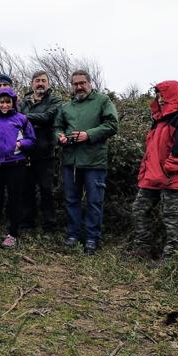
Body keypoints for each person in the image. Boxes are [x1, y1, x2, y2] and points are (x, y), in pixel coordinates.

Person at [132, 80, 178, 259]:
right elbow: (152, 150)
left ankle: (171, 259)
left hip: (173, 179)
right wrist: (147, 171)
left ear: (174, 94)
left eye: (164, 94)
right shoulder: (159, 118)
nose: (160, 98)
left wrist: (167, 171)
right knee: (139, 209)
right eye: (158, 94)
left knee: (171, 218)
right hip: (153, 177)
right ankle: (143, 250)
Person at [54, 70, 118, 255]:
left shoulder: (103, 101)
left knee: (94, 201)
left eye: (82, 83)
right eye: (75, 84)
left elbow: (112, 125)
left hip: (94, 161)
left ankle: (92, 238)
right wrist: (59, 137)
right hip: (70, 161)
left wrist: (88, 135)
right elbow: (57, 127)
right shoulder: (66, 107)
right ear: (72, 86)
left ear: (89, 83)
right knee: (71, 200)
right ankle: (73, 235)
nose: (79, 86)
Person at [0, 88, 36, 248]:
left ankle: (12, 233)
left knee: (14, 199)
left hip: (16, 165)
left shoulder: (22, 119)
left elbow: (32, 140)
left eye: (7, 102)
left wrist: (20, 144)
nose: (4, 105)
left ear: (13, 102)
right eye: (1, 102)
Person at [19, 71, 62, 235]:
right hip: (26, 153)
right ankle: (27, 224)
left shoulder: (55, 100)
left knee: (46, 190)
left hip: (46, 154)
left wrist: (24, 118)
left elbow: (48, 116)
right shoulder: (24, 101)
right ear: (32, 83)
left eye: (43, 81)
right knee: (26, 190)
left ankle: (49, 226)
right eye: (37, 81)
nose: (40, 84)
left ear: (48, 83)